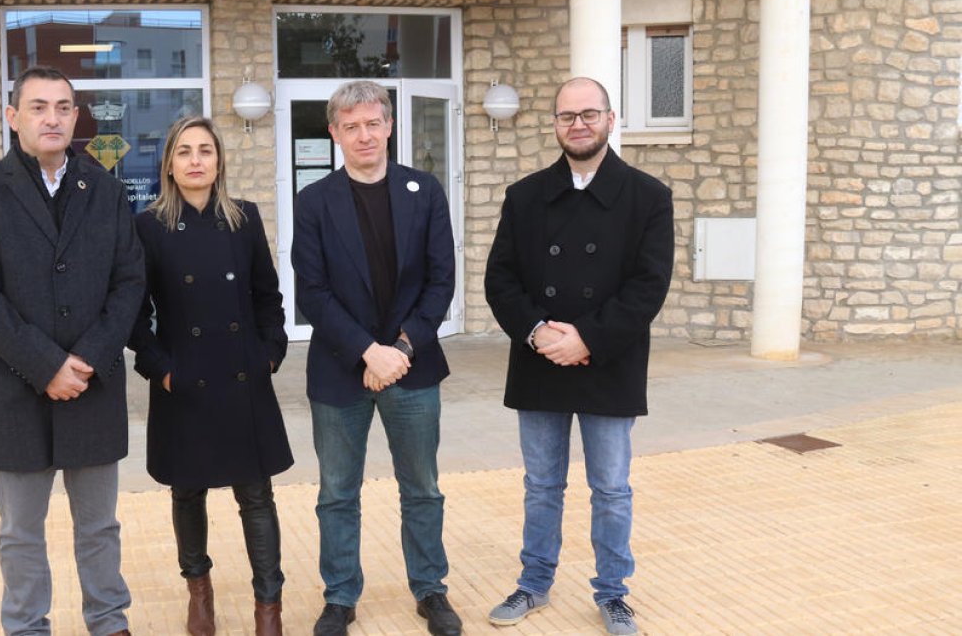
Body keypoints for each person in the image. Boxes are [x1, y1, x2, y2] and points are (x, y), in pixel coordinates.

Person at [0, 65, 145, 636]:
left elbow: (129, 283)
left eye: (63, 107)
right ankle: (26, 625)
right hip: (15, 389)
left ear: (76, 117)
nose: (52, 118)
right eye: (38, 107)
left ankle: (108, 621)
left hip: (92, 384)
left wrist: (82, 362)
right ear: (13, 118)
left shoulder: (106, 191)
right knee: (19, 530)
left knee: (99, 527)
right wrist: (47, 366)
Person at [483, 77, 675, 636]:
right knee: (541, 485)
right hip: (540, 360)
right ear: (555, 125)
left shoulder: (648, 196)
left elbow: (648, 286)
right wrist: (540, 331)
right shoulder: (525, 196)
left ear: (611, 120)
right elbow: (500, 280)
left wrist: (586, 338)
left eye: (589, 114)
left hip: (608, 361)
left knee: (611, 488)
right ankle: (534, 584)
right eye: (567, 116)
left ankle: (613, 593)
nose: (578, 124)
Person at [293, 81, 461, 636]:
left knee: (422, 487)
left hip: (413, 369)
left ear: (389, 126)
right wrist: (368, 351)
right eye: (351, 126)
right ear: (335, 134)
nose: (364, 134)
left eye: (373, 123)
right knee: (337, 492)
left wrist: (400, 351)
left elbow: (441, 282)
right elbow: (312, 292)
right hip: (341, 369)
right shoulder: (314, 201)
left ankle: (431, 590)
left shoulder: (426, 190)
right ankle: (340, 597)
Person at [128, 116, 292, 636]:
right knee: (187, 493)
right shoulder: (148, 226)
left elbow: (268, 296)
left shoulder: (244, 218)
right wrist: (162, 370)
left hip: (243, 373)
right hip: (185, 380)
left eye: (205, 150)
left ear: (219, 160)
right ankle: (199, 593)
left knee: (256, 495)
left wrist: (269, 353)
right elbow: (135, 315)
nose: (195, 160)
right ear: (170, 165)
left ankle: (269, 607)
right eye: (184, 151)